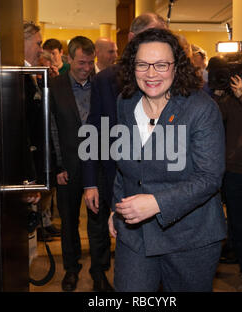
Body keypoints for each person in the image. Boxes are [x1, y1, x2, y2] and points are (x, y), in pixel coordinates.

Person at [109, 28, 227, 292]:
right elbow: (124, 163)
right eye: (142, 64)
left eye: (161, 65)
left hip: (190, 237)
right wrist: (116, 207)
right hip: (135, 234)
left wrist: (156, 203)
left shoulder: (201, 109)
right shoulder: (125, 102)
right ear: (132, 67)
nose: (151, 74)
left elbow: (209, 177)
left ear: (176, 67)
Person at [81, 13, 167, 291]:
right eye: (153, 35)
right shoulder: (106, 80)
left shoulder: (173, 78)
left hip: (165, 186)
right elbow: (94, 129)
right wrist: (90, 181)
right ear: (133, 39)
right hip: (119, 180)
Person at [49, 36, 113, 292]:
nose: (86, 68)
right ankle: (71, 269)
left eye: (90, 62)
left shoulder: (104, 84)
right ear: (68, 59)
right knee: (69, 221)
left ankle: (100, 273)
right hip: (68, 167)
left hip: (98, 166)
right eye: (81, 63)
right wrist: (57, 166)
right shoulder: (54, 87)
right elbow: (51, 128)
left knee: (98, 222)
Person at [211, 59, 242, 292]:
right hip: (233, 174)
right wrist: (218, 93)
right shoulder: (230, 101)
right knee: (239, 227)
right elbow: (212, 120)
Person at [23, 21, 59, 244]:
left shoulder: (28, 74)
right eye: (37, 43)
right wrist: (28, 177)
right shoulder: (16, 76)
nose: (40, 49)